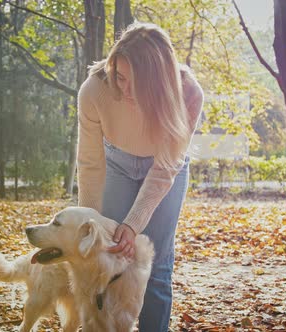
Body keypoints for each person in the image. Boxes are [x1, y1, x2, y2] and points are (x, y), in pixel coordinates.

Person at [76, 21, 204, 331]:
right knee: (106, 259)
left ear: (159, 80)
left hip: (165, 169)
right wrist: (90, 221)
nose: (125, 90)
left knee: (156, 264)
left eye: (138, 83)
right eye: (120, 77)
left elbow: (164, 169)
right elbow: (90, 163)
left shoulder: (188, 93)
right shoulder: (94, 90)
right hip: (115, 164)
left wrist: (133, 224)